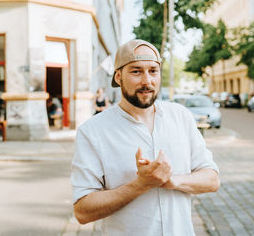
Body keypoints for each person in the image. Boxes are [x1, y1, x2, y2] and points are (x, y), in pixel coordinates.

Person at [71, 39, 220, 235]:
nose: (147, 81)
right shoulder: (92, 131)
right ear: (118, 76)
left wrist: (172, 180)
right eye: (136, 71)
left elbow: (212, 179)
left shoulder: (181, 117)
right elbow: (82, 211)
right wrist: (140, 185)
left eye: (153, 71)